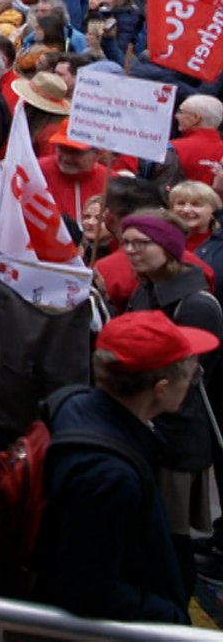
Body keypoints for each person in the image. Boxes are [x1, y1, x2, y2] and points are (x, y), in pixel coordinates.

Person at [38, 311, 216, 624]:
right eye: (190, 375)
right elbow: (88, 590)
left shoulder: (74, 403)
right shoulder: (108, 477)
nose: (191, 384)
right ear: (160, 388)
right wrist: (169, 616)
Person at [115, 211, 223, 581]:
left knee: (170, 539)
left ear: (169, 248)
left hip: (175, 438)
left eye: (141, 243)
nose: (130, 250)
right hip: (144, 430)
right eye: (126, 241)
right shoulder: (145, 289)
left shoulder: (195, 305)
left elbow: (185, 384)